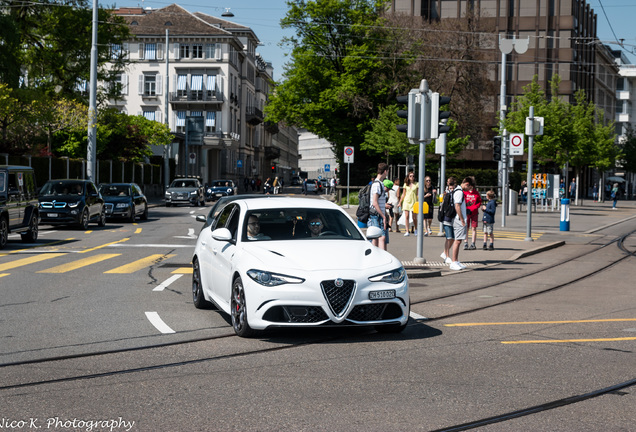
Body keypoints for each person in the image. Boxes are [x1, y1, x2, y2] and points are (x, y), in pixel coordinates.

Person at [449, 177, 469, 271]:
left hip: (459, 219)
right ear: (467, 184)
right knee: (457, 241)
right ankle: (453, 262)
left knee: (459, 240)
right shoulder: (459, 192)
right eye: (469, 187)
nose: (469, 190)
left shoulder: (458, 191)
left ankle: (456, 261)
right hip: (458, 219)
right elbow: (457, 206)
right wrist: (462, 219)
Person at [368, 162, 388, 250]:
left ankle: (376, 256)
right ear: (385, 171)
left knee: (376, 237)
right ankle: (382, 258)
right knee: (381, 237)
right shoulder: (377, 184)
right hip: (376, 215)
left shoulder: (379, 183)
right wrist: (383, 216)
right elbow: (375, 203)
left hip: (377, 214)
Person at [439, 177, 456, 266]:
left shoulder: (455, 193)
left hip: (453, 218)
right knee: (449, 238)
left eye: (453, 185)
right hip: (446, 217)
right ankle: (447, 256)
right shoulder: (446, 193)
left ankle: (445, 253)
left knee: (452, 238)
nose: (451, 187)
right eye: (450, 184)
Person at [463, 177, 481, 250]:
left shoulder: (476, 193)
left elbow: (479, 202)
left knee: (473, 228)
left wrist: (475, 207)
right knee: (466, 228)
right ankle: (466, 242)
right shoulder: (465, 192)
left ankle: (473, 243)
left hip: (474, 212)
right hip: (467, 212)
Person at [399, 170, 418, 236]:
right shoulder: (405, 184)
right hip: (407, 201)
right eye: (410, 176)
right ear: (408, 177)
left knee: (414, 217)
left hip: (414, 201)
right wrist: (400, 202)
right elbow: (403, 194)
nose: (412, 177)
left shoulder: (416, 184)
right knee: (406, 216)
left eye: (413, 176)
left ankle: (416, 229)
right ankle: (407, 231)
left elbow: (418, 194)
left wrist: (419, 202)